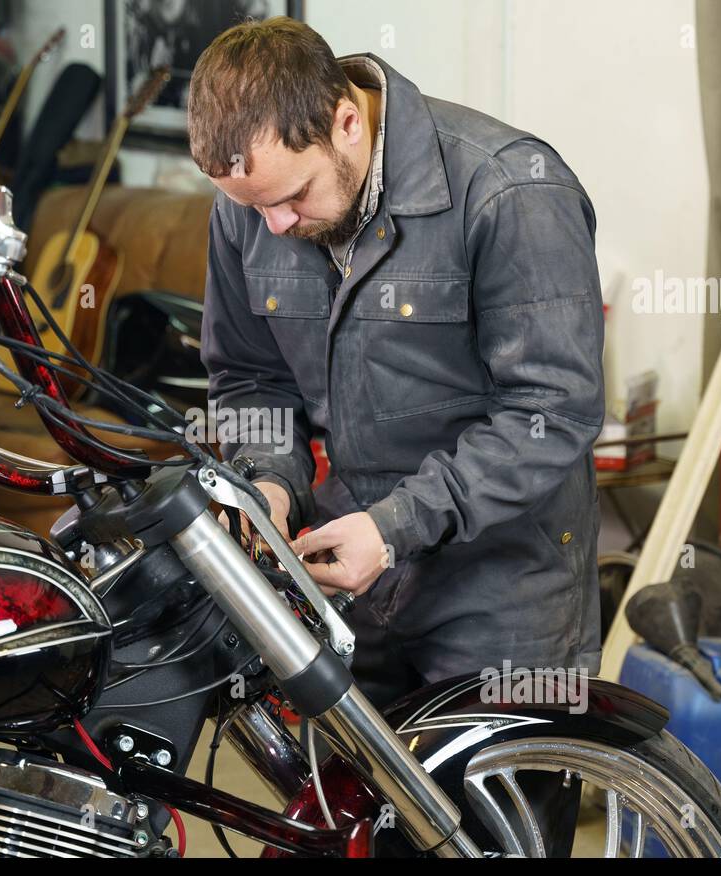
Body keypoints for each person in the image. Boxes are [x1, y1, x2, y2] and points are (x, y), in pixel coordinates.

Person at [188, 16, 605, 716]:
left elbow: (552, 408)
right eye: (255, 206)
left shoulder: (509, 191)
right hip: (346, 572)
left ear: (347, 121)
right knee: (350, 815)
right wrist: (269, 485)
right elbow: (250, 377)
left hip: (505, 587)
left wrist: (396, 526)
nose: (276, 226)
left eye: (294, 197)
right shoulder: (252, 208)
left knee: (492, 820)